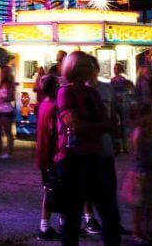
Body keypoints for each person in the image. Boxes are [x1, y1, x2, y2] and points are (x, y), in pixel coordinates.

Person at [54, 51, 121, 246]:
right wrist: (98, 128)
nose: (88, 69)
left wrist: (92, 128)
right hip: (73, 160)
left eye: (89, 66)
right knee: (72, 218)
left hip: (95, 157)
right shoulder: (65, 92)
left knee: (110, 214)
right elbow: (75, 125)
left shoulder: (92, 92)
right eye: (83, 65)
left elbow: (108, 124)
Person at [121, 103, 152, 246]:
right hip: (140, 173)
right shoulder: (139, 132)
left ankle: (145, 231)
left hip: (148, 172)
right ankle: (137, 232)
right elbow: (139, 154)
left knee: (148, 203)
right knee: (139, 205)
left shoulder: (147, 131)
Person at [36, 74, 62, 241]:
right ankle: (44, 227)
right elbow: (55, 131)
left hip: (44, 154)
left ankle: (55, 224)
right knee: (54, 190)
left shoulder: (43, 105)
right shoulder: (54, 106)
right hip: (54, 154)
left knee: (50, 189)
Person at [0, 64, 17, 158]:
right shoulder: (0, 83)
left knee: (8, 132)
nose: (2, 74)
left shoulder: (10, 84)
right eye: (2, 72)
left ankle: (9, 153)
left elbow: (12, 97)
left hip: (6, 110)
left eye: (5, 72)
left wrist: (3, 98)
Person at [110, 62, 134, 153]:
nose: (115, 70)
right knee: (117, 124)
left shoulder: (122, 79)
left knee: (123, 125)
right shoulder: (113, 80)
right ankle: (119, 145)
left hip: (122, 103)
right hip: (116, 103)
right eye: (114, 68)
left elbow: (129, 89)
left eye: (116, 68)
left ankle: (124, 145)